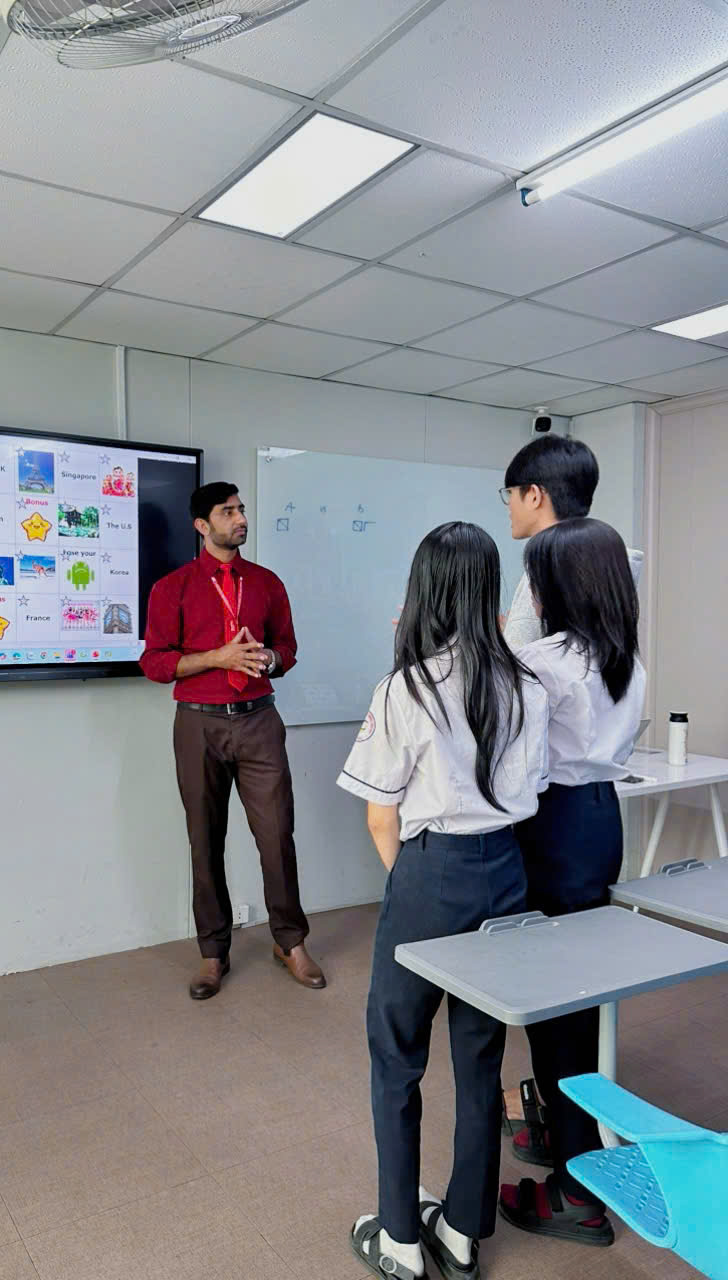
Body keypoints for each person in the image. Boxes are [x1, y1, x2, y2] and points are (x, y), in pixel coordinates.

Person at [340, 523, 549, 1280]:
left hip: (431, 874)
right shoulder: (528, 684)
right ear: (489, 590)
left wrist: (415, 884)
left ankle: (399, 1238)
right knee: (480, 1058)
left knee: (397, 1056)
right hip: (507, 874)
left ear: (423, 591)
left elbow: (380, 818)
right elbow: (535, 786)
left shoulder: (407, 687)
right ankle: (462, 1232)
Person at [498, 517, 646, 1248]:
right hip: (599, 821)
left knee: (552, 1006)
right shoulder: (626, 658)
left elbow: (515, 764)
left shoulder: (543, 662)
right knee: (580, 997)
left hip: (550, 826)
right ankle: (568, 1137)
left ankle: (575, 1191)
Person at [140, 482, 325, 1000]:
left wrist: (270, 659)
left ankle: (290, 942)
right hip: (198, 725)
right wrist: (216, 659)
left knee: (277, 836)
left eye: (241, 509)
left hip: (259, 721)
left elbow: (287, 647)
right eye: (228, 512)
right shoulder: (172, 588)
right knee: (204, 839)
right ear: (202, 525)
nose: (241, 518)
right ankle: (213, 952)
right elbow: (154, 663)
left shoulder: (266, 582)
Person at [501, 435, 643, 649]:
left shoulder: (546, 570)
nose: (509, 505)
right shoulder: (608, 563)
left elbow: (519, 664)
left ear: (533, 495)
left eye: (510, 493)